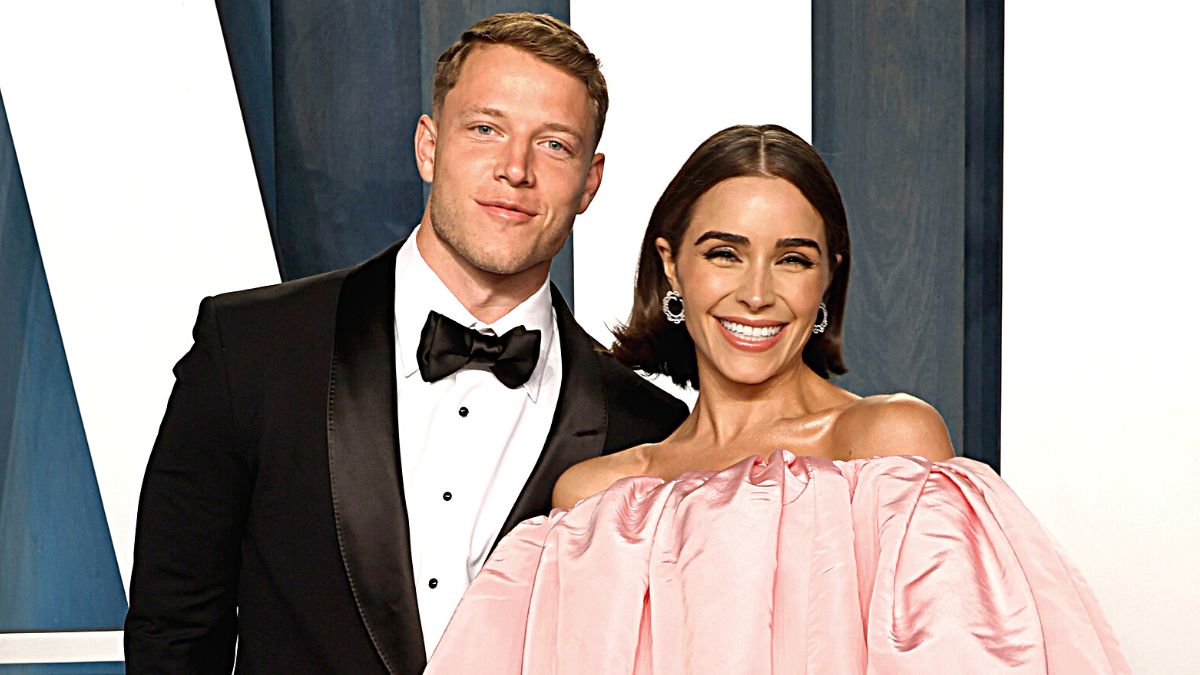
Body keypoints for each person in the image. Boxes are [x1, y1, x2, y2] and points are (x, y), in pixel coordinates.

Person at [425, 125, 1131, 673]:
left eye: (792, 258)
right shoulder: (596, 499)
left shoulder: (887, 446)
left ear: (829, 275)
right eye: (724, 252)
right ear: (672, 264)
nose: (757, 292)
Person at [123, 13, 688, 675]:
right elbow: (174, 632)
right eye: (485, 129)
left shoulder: (650, 431)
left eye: (553, 145)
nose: (515, 169)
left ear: (590, 181)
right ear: (428, 146)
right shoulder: (254, 350)